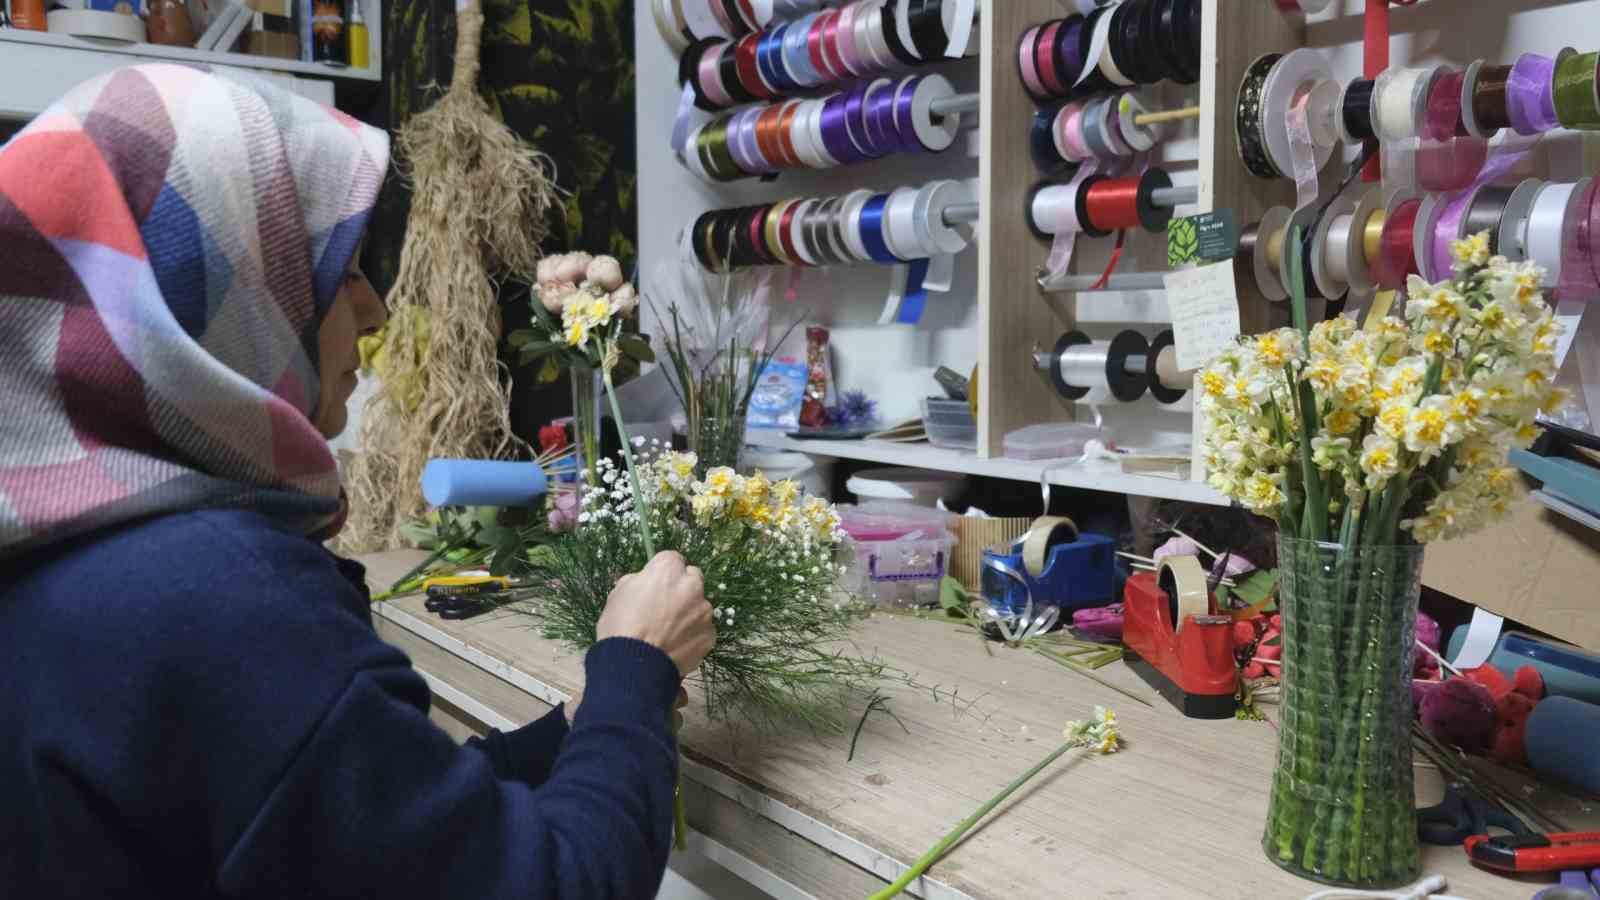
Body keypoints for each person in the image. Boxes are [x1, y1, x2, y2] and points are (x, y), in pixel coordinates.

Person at [0, 64, 714, 898]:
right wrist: (637, 666)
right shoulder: (219, 598)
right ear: (226, 295)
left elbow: (370, 829)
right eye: (340, 271)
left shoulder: (71, 557)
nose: (375, 310)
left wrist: (585, 726)